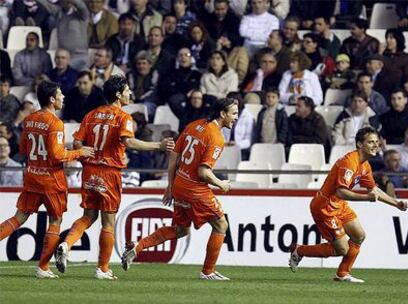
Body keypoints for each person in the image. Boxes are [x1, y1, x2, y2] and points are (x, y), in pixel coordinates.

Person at [54, 75, 175, 280]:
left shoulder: (91, 115)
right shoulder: (123, 117)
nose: (130, 94)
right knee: (108, 223)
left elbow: (76, 144)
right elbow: (128, 143)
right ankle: (102, 269)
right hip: (109, 174)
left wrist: (87, 156)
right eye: (127, 91)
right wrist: (158, 145)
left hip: (90, 172)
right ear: (118, 95)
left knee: (88, 216)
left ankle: (66, 244)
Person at [121, 97, 239, 280]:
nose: (236, 117)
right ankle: (208, 272)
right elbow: (203, 172)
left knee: (181, 229)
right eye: (234, 113)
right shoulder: (216, 137)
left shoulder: (194, 125)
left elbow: (174, 154)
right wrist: (221, 183)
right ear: (223, 114)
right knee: (221, 224)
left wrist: (171, 184)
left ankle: (139, 246)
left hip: (180, 185)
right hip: (195, 189)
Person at [0, 80, 95, 278]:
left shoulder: (29, 119)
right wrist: (79, 152)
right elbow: (58, 155)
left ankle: (44, 267)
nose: (63, 97)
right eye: (60, 94)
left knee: (19, 217)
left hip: (32, 177)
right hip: (52, 180)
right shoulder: (55, 123)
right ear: (52, 99)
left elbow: (24, 149)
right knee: (55, 220)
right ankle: (43, 268)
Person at [289, 127, 408, 283]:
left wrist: (396, 203)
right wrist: (367, 198)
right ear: (359, 144)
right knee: (342, 249)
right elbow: (341, 192)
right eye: (371, 142)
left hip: (339, 205)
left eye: (377, 142)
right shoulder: (349, 162)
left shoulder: (365, 166)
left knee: (359, 235)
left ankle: (342, 274)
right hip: (325, 207)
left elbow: (374, 189)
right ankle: (299, 250)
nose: (375, 145)